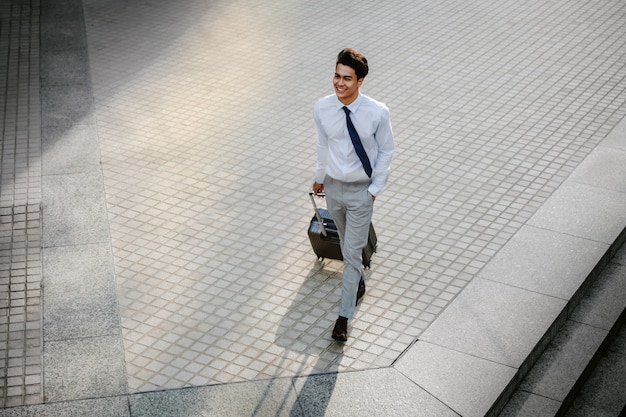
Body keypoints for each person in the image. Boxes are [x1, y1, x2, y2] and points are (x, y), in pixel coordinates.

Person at [312, 48, 395, 342]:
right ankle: (357, 279)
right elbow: (323, 145)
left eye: (347, 78)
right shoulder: (322, 108)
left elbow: (387, 149)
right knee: (347, 244)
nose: (339, 83)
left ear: (360, 81)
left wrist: (373, 191)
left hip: (362, 192)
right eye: (337, 75)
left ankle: (343, 317)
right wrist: (320, 178)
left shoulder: (377, 112)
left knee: (350, 253)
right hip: (334, 188)